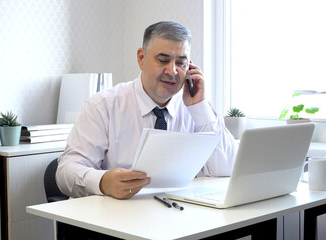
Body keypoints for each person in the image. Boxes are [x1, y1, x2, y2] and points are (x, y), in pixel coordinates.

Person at [56, 21, 237, 201]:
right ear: (141, 58)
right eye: (163, 60)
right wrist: (103, 182)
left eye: (181, 63)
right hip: (116, 218)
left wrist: (199, 107)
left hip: (178, 217)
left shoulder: (194, 109)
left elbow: (226, 168)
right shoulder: (103, 105)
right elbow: (66, 172)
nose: (172, 71)